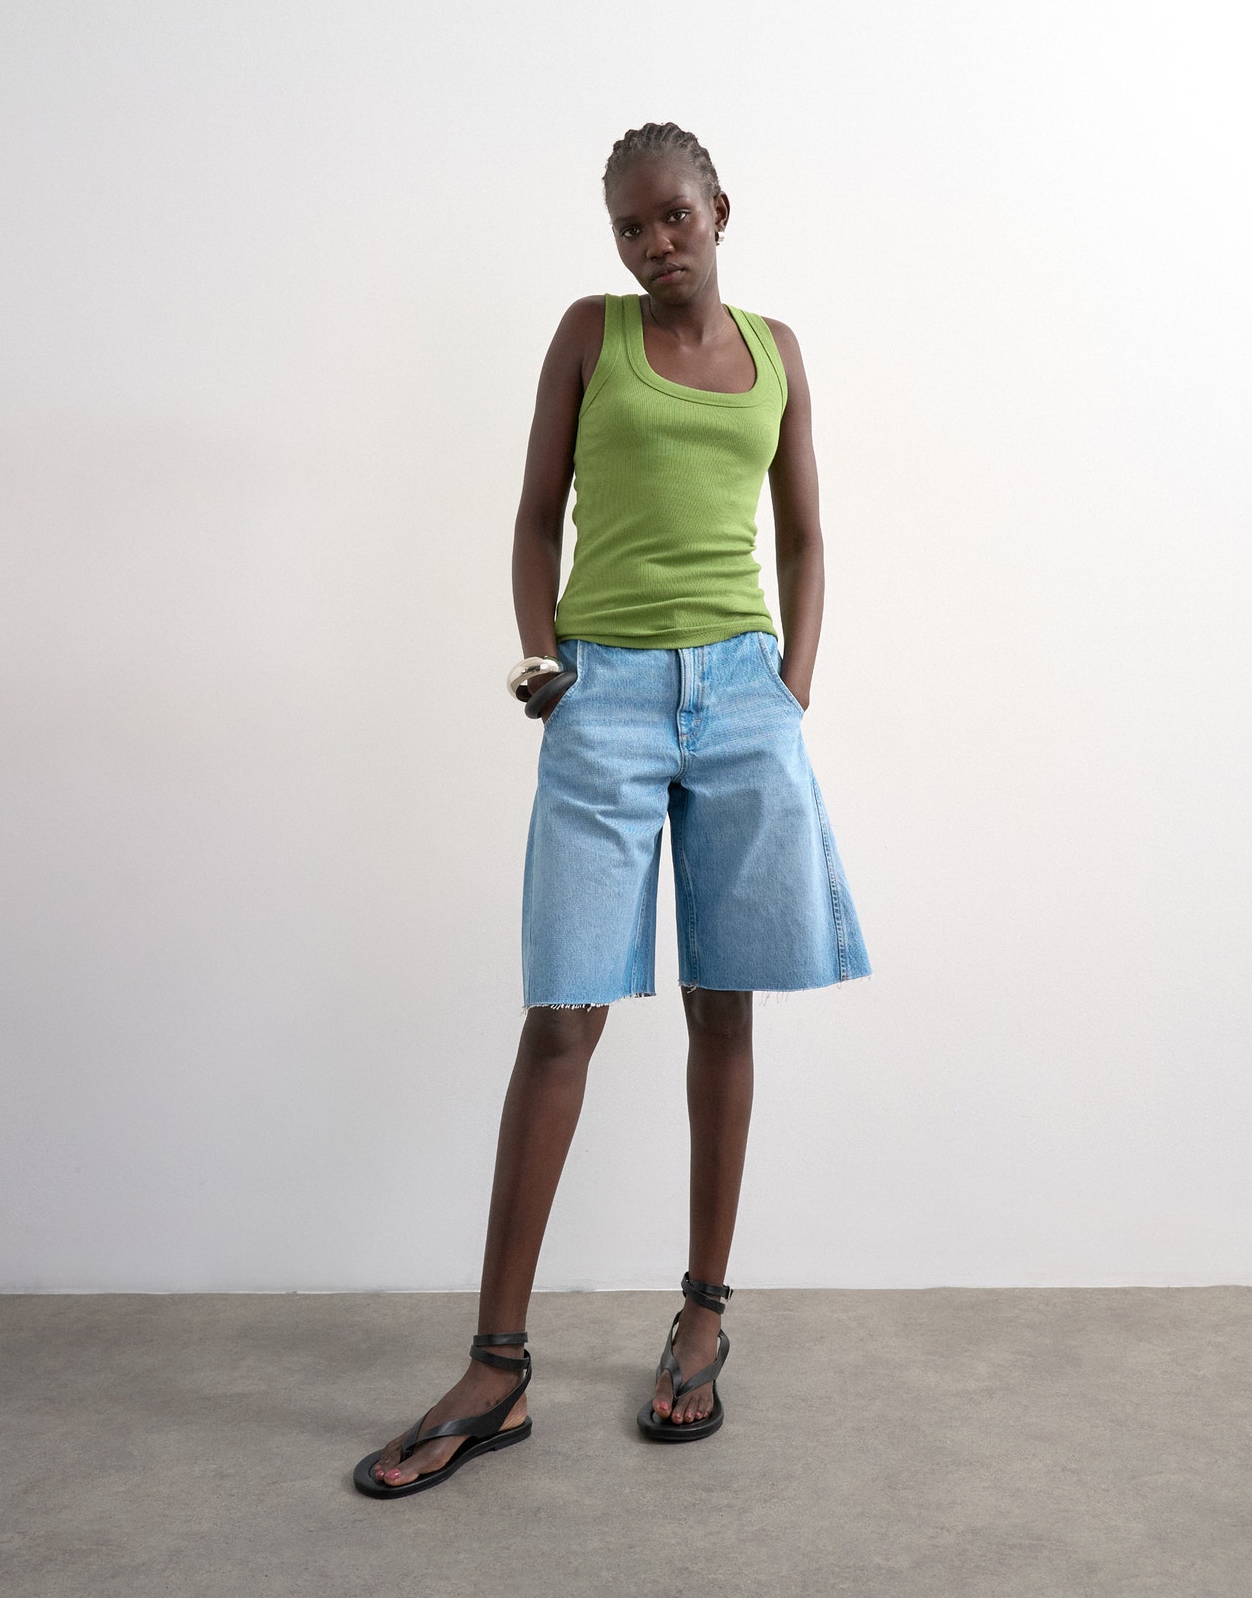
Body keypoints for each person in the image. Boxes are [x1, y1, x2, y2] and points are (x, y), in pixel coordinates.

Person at [353, 122, 871, 1499]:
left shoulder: (777, 351)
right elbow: (536, 519)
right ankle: (497, 1367)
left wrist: (791, 688)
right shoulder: (591, 335)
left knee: (724, 1004)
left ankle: (703, 1313)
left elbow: (806, 532)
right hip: (606, 698)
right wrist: (544, 658)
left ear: (719, 208)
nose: (654, 245)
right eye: (631, 227)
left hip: (743, 697)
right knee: (563, 1013)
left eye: (672, 218)